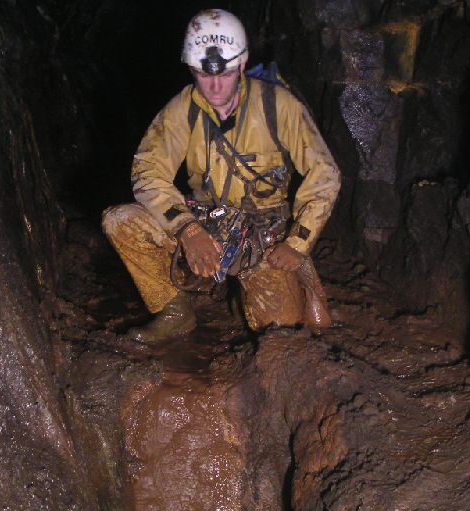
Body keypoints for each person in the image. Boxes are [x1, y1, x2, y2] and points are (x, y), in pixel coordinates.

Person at [102, 8, 341, 343]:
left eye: (225, 73)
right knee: (121, 221)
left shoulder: (278, 106)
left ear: (241, 65)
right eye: (203, 73)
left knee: (281, 329)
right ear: (190, 68)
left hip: (264, 233)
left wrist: (297, 242)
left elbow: (324, 173)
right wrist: (187, 230)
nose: (214, 86)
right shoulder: (181, 110)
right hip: (208, 222)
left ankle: (291, 277)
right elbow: (147, 170)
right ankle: (174, 312)